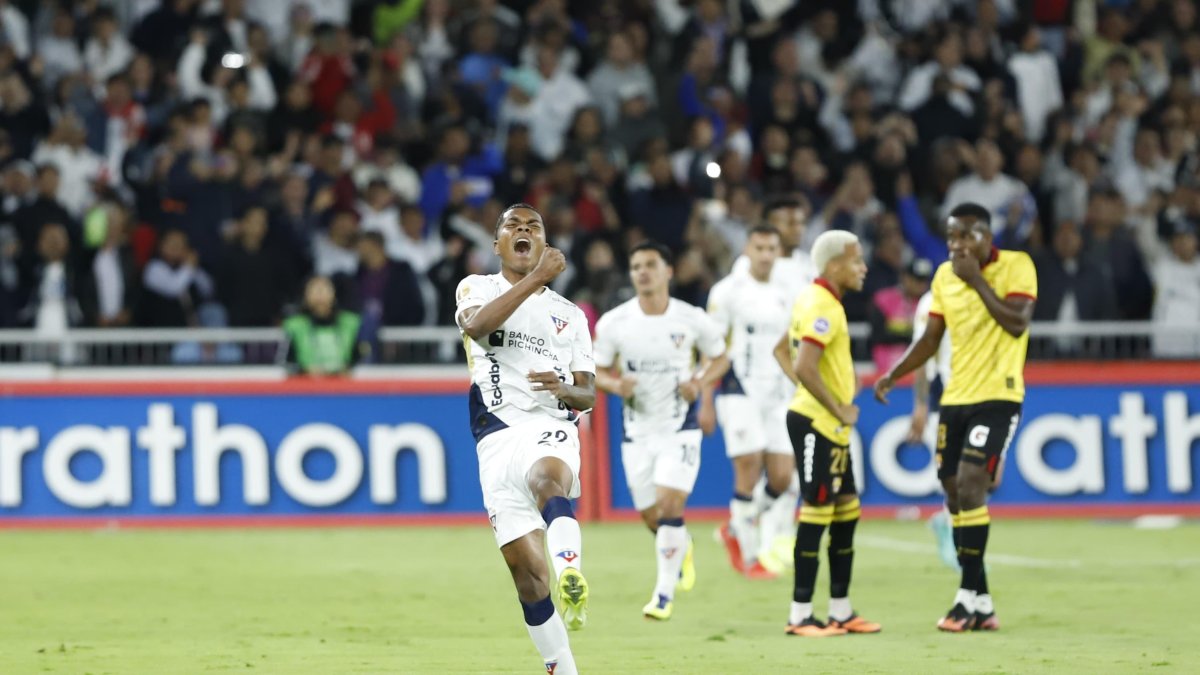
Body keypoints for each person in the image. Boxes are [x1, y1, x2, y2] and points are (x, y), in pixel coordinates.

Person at [875, 202, 1037, 633]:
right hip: (956, 398)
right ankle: (982, 600)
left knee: (972, 484)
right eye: (952, 236)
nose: (958, 244)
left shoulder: (1017, 267)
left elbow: (1017, 323)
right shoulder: (944, 277)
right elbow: (931, 339)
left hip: (998, 396)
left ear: (988, 236)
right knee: (952, 493)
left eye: (967, 235)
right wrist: (895, 373)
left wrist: (978, 281)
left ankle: (965, 598)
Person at [454, 204, 594, 675]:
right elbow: (476, 327)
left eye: (534, 226)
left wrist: (564, 389)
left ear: (544, 243)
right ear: (497, 245)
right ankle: (563, 668)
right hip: (495, 436)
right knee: (529, 578)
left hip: (548, 423)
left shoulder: (570, 315)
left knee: (546, 480)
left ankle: (571, 567)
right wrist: (535, 280)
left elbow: (587, 393)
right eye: (513, 226)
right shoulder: (476, 287)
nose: (524, 231)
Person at [593, 241, 730, 621]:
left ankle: (663, 595)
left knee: (671, 505)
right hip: (637, 431)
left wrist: (699, 383)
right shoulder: (614, 323)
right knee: (652, 515)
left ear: (668, 271)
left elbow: (719, 358)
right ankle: (680, 546)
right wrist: (616, 385)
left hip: (678, 428)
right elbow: (596, 372)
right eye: (636, 265)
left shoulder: (692, 318)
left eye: (650, 264)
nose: (642, 272)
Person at [782, 230, 881, 637]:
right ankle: (800, 614)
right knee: (817, 510)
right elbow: (805, 366)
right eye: (857, 260)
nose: (864, 268)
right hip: (817, 424)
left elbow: (779, 348)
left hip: (829, 426)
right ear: (836, 265)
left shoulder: (813, 299)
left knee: (846, 510)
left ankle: (840, 609)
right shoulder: (824, 306)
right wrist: (836, 405)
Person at [707, 225, 797, 578]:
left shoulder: (787, 293)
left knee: (782, 476)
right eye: (758, 247)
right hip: (738, 386)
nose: (764, 254)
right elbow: (712, 347)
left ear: (778, 251)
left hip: (777, 392)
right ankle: (748, 555)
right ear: (748, 247)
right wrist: (705, 398)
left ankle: (733, 526)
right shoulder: (728, 291)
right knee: (748, 464)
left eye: (771, 248)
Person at [282, 276, 362, 376]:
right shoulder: (294, 325)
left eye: (324, 289)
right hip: (306, 385)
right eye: (314, 290)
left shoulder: (351, 323)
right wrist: (304, 371)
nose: (320, 295)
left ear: (334, 293)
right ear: (305, 295)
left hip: (345, 385)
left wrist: (347, 369)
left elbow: (362, 361)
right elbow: (287, 364)